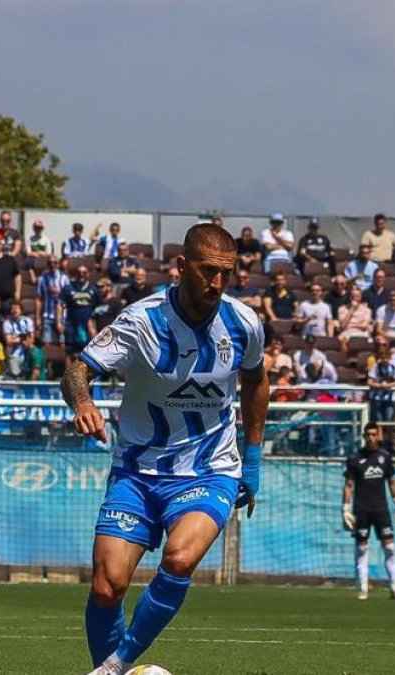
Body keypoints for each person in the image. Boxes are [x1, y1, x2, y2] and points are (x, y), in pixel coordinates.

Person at [65, 224, 268, 675]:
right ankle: (116, 670)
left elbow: (256, 382)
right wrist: (83, 403)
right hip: (137, 471)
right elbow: (78, 371)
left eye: (225, 273)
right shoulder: (141, 322)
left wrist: (251, 460)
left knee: (180, 556)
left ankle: (117, 665)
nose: (216, 283)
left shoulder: (244, 323)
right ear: (181, 267)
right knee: (106, 588)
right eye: (206, 271)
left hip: (209, 469)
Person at [342, 423, 395, 600]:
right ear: (364, 437)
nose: (371, 438)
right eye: (368, 435)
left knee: (390, 548)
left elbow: (392, 482)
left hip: (381, 510)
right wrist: (346, 509)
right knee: (362, 550)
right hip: (361, 510)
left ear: (379, 436)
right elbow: (348, 485)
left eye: (374, 434)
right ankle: (363, 588)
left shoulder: (385, 457)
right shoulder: (355, 458)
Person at [60, 265, 100, 361]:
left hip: (88, 324)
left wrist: (94, 325)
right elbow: (60, 305)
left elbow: (98, 306)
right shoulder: (68, 288)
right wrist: (59, 321)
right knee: (69, 351)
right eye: (79, 273)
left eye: (84, 273)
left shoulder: (94, 289)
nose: (81, 275)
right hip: (72, 323)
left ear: (88, 274)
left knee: (89, 351)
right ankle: (68, 375)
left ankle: (86, 375)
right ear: (75, 274)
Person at [37, 256, 70, 343]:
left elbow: (69, 297)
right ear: (47, 265)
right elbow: (39, 299)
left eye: (55, 263)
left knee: (62, 343)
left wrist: (59, 292)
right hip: (47, 316)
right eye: (50, 263)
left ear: (58, 264)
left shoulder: (64, 278)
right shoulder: (42, 279)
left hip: (62, 317)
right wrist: (38, 318)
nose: (52, 265)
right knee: (46, 343)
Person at [337, 286, 373, 352]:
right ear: (350, 297)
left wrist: (351, 325)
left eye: (357, 296)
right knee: (342, 340)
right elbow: (342, 326)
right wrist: (351, 310)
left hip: (362, 332)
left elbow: (364, 326)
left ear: (360, 297)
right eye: (352, 296)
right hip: (347, 332)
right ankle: (344, 359)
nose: (355, 298)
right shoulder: (342, 308)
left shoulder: (367, 310)